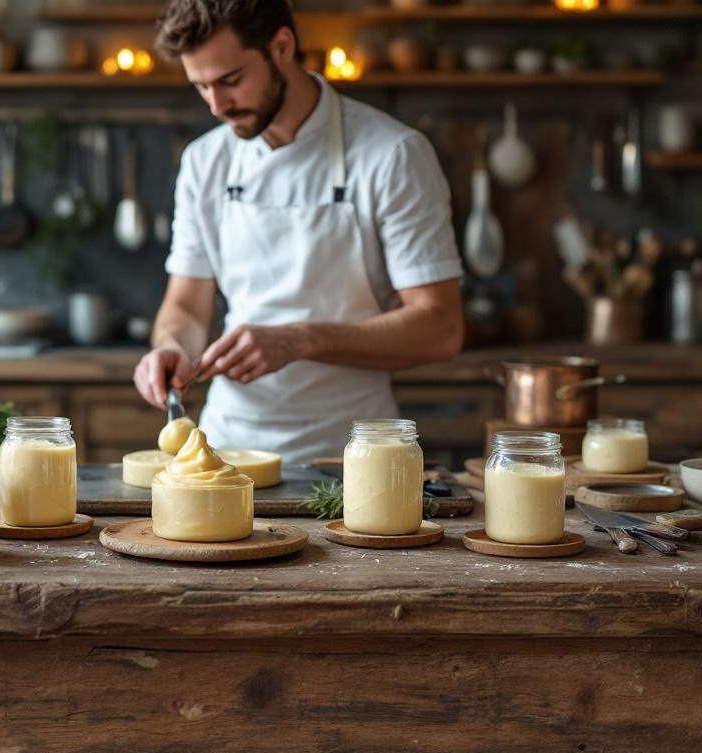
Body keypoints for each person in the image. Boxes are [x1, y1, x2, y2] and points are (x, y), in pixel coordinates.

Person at [131, 0, 466, 464]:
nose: (217, 106)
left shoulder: (392, 155)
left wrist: (299, 340)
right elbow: (186, 306)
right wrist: (171, 347)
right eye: (201, 87)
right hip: (226, 449)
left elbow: (441, 328)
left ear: (283, 47)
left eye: (230, 80)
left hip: (352, 454)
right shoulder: (205, 162)